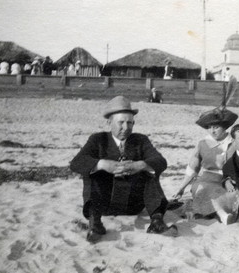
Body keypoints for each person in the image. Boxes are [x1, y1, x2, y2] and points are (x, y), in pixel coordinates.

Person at [70, 96, 177, 242]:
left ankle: (157, 222)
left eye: (130, 123)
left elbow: (160, 161)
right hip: (104, 206)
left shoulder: (140, 140)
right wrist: (102, 164)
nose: (126, 128)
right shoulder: (98, 140)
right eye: (121, 122)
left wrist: (140, 165)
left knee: (149, 171)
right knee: (91, 171)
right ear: (109, 122)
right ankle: (95, 224)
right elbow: (76, 163)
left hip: (133, 205)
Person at [173, 107, 239, 224]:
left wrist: (230, 179)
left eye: (216, 127)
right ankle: (222, 214)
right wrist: (181, 188)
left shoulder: (234, 144)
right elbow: (192, 169)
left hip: (229, 180)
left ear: (224, 127)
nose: (212, 131)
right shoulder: (203, 144)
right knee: (204, 189)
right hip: (207, 179)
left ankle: (220, 211)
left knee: (235, 194)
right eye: (209, 128)